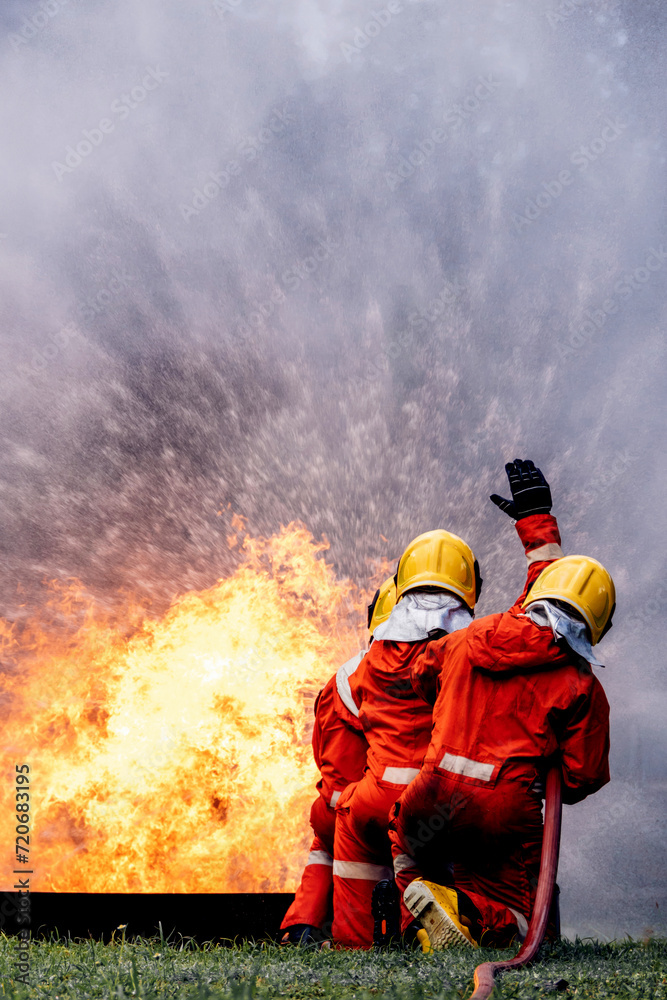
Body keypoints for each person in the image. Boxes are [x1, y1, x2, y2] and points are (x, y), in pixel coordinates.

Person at [389, 459, 614, 949]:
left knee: (410, 851)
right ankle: (467, 913)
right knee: (513, 911)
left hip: (431, 796)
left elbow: (422, 672)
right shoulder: (582, 685)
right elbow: (580, 779)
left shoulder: (473, 636)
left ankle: (419, 929)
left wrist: (454, 702)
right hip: (499, 811)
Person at [331, 529, 482, 949]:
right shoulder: (473, 646)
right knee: (451, 861)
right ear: (471, 585)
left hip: (376, 795)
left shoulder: (362, 663)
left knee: (350, 826)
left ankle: (355, 942)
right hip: (442, 793)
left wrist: (339, 795)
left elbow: (338, 728)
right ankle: (443, 927)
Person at [280, 578, 396, 943]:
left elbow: (327, 759)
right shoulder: (430, 673)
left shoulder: (343, 678)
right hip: (391, 818)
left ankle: (302, 927)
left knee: (325, 841)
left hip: (337, 810)